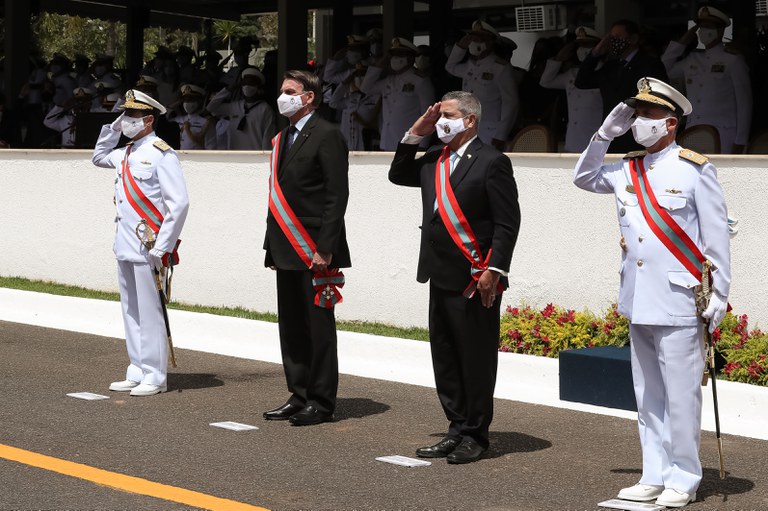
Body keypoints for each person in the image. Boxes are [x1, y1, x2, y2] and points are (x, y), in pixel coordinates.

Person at [573, 77, 730, 508]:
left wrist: (719, 293)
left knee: (681, 395)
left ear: (670, 122)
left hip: (680, 299)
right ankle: (654, 474)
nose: (639, 122)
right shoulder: (627, 168)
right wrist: (604, 134)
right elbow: (583, 177)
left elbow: (716, 238)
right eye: (636, 114)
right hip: (639, 296)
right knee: (648, 396)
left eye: (647, 115)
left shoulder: (695, 169)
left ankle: (684, 478)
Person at [388, 91, 521, 463]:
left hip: (474, 277)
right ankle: (456, 427)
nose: (441, 122)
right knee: (445, 358)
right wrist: (416, 131)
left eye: (446, 116)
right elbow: (397, 173)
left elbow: (507, 223)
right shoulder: (434, 158)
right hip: (438, 272)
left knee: (474, 358)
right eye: (438, 116)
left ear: (470, 120)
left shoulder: (492, 161)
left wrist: (494, 269)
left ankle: (475, 434)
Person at [262, 70, 351, 426]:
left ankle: (321, 401)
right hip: (286, 245)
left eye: (290, 91)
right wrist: (271, 247)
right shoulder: (282, 137)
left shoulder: (327, 133)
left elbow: (336, 195)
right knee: (292, 326)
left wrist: (325, 247)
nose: (282, 97)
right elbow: (277, 195)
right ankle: (298, 394)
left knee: (317, 328)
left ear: (309, 97)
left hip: (314, 247)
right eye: (282, 91)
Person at [92, 89, 189, 397]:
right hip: (125, 243)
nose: (127, 120)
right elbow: (98, 157)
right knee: (131, 310)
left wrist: (163, 246)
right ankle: (137, 368)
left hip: (149, 247)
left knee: (150, 312)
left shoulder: (162, 154)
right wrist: (113, 128)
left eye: (132, 116)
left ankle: (156, 375)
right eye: (125, 115)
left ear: (148, 120)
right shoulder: (124, 153)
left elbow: (179, 204)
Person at [661, 6, 752, 154]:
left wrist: (741, 140)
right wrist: (681, 43)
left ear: (720, 30)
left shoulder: (733, 60)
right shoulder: (693, 59)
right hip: (692, 132)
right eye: (701, 27)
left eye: (709, 27)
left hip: (723, 135)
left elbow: (744, 104)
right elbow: (663, 69)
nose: (703, 31)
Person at [575, 19, 668, 153]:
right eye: (611, 38)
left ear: (633, 38)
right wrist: (595, 53)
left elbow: (660, 101)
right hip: (612, 137)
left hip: (639, 136)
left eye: (618, 37)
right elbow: (582, 82)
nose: (613, 41)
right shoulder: (610, 67)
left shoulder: (650, 64)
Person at [445, 20, 519, 150]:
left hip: (490, 131)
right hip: (467, 130)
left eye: (480, 39)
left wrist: (501, 134)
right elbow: (450, 66)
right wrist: (461, 47)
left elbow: (510, 102)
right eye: (473, 38)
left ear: (490, 42)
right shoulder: (469, 66)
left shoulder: (500, 67)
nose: (474, 42)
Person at [359, 37, 435, 151]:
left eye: (399, 55)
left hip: (409, 145)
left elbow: (429, 115)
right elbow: (365, 88)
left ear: (410, 58)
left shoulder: (421, 81)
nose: (394, 58)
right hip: (387, 143)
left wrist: (422, 146)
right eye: (393, 55)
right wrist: (379, 65)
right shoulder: (389, 80)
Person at [540, 27, 604, 152]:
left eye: (587, 45)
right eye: (580, 45)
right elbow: (545, 82)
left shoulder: (605, 73)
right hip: (573, 140)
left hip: (596, 140)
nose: (582, 49)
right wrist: (558, 59)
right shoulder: (571, 74)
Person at [207, 67, 276, 150]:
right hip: (235, 155)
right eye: (244, 83)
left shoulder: (265, 109)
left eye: (251, 83)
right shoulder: (234, 107)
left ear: (258, 87)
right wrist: (228, 89)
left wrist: (264, 156)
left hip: (255, 154)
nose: (247, 86)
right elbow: (211, 108)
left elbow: (268, 138)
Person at [168, 84, 216, 150]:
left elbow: (211, 147)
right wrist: (177, 103)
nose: (187, 102)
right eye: (185, 100)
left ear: (199, 101)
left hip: (195, 156)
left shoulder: (205, 122)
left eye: (191, 99)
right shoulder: (177, 119)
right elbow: (162, 116)